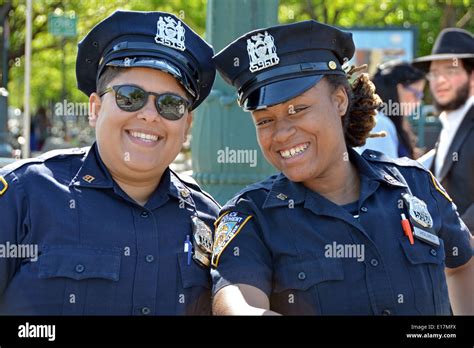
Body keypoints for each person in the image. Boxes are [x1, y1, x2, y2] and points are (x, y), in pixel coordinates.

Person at [210, 20, 473, 315]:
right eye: (265, 120)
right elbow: (236, 304)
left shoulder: (416, 185)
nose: (281, 133)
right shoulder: (251, 216)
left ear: (339, 100)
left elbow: (462, 265)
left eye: (298, 109)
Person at [0, 10, 219, 315]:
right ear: (95, 107)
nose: (150, 115)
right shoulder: (23, 195)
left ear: (187, 124)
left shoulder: (209, 220)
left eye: (171, 104)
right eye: (131, 96)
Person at [413, 28, 474, 232]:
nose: (439, 80)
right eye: (434, 73)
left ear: (472, 76)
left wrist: (458, 240)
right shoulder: (448, 124)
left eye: (450, 70)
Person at [356, 61, 425, 159]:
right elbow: (387, 172)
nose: (419, 101)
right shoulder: (379, 124)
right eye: (416, 94)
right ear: (398, 88)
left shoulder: (379, 121)